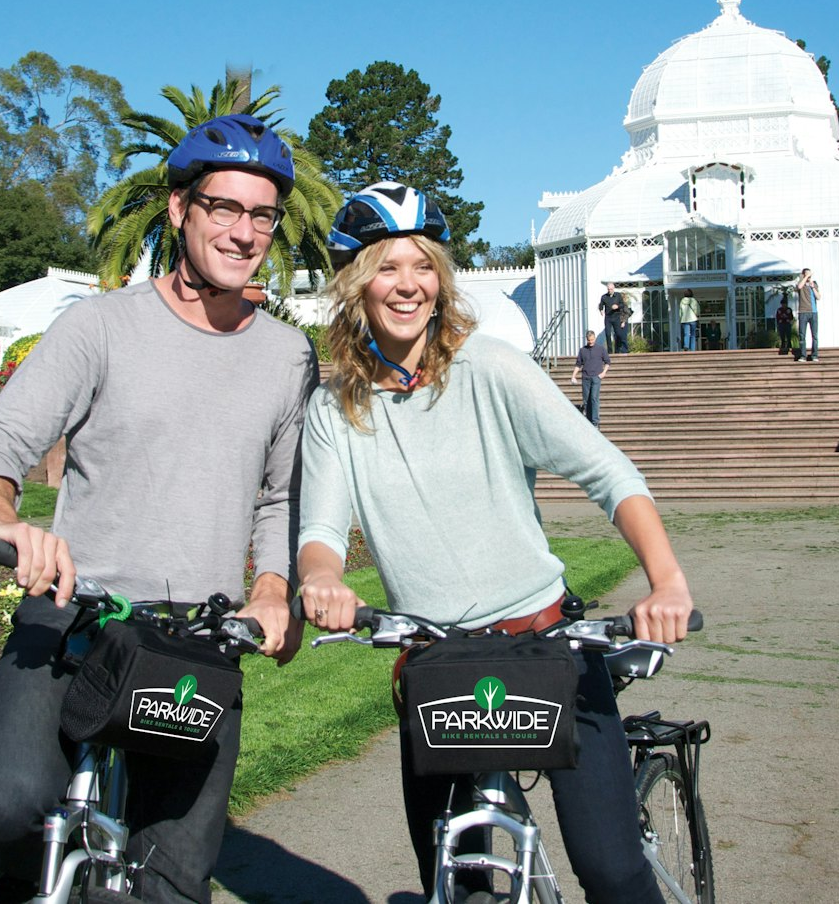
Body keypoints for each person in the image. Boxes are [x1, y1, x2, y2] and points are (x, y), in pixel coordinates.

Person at [0, 115, 319, 904]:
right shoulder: (100, 327)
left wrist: (272, 588)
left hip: (198, 639)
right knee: (11, 805)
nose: (243, 231)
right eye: (224, 207)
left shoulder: (288, 356)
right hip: (75, 618)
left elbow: (283, 496)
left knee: (173, 881)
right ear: (180, 208)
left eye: (262, 215)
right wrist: (2, 522)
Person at [297, 182, 694, 904]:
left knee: (609, 869)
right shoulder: (336, 407)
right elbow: (321, 531)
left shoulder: (496, 369)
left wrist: (666, 581)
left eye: (423, 265)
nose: (407, 284)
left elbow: (608, 473)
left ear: (442, 281)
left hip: (545, 645)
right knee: (455, 878)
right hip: (436, 661)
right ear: (357, 283)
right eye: (387, 266)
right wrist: (321, 577)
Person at [570, 328, 610, 426]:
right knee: (586, 400)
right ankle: (588, 421)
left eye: (592, 340)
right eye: (589, 340)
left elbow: (607, 362)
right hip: (586, 377)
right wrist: (573, 376)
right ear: (586, 339)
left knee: (594, 398)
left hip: (596, 377)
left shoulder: (601, 349)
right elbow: (578, 364)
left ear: (595, 338)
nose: (590, 342)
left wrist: (604, 372)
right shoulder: (583, 350)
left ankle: (595, 422)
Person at [796, 268, 821, 361]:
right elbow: (799, 287)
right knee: (802, 335)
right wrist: (805, 276)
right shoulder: (801, 284)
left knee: (814, 335)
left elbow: (818, 297)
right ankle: (803, 355)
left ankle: (814, 355)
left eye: (810, 275)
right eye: (807, 275)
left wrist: (813, 287)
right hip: (803, 312)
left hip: (813, 313)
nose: (809, 277)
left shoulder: (814, 284)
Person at [598, 281, 630, 354]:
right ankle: (610, 352)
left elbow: (622, 305)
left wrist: (617, 306)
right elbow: (600, 305)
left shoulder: (618, 296)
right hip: (608, 318)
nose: (610, 291)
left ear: (614, 288)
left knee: (618, 334)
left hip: (616, 317)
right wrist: (601, 310)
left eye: (611, 289)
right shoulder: (604, 297)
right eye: (608, 289)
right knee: (608, 334)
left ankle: (618, 350)